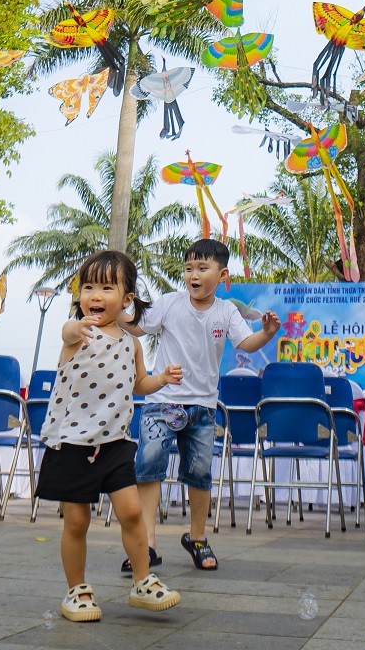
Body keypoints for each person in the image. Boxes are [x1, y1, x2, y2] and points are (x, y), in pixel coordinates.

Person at [37, 250, 183, 621]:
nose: (95, 296)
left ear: (127, 298)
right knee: (77, 522)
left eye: (106, 288)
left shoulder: (131, 343)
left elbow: (139, 383)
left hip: (115, 442)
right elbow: (67, 330)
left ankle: (143, 581)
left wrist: (161, 379)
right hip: (71, 443)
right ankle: (77, 591)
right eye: (88, 287)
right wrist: (77, 327)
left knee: (132, 512)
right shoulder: (78, 334)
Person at [127, 238, 279, 573]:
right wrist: (112, 310)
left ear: (222, 275)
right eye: (188, 268)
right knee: (149, 466)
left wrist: (267, 333)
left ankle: (197, 538)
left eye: (202, 268)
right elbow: (137, 326)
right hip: (161, 402)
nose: (193, 275)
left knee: (199, 474)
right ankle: (146, 544)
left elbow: (246, 343)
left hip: (203, 408)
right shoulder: (169, 303)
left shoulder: (226, 311)